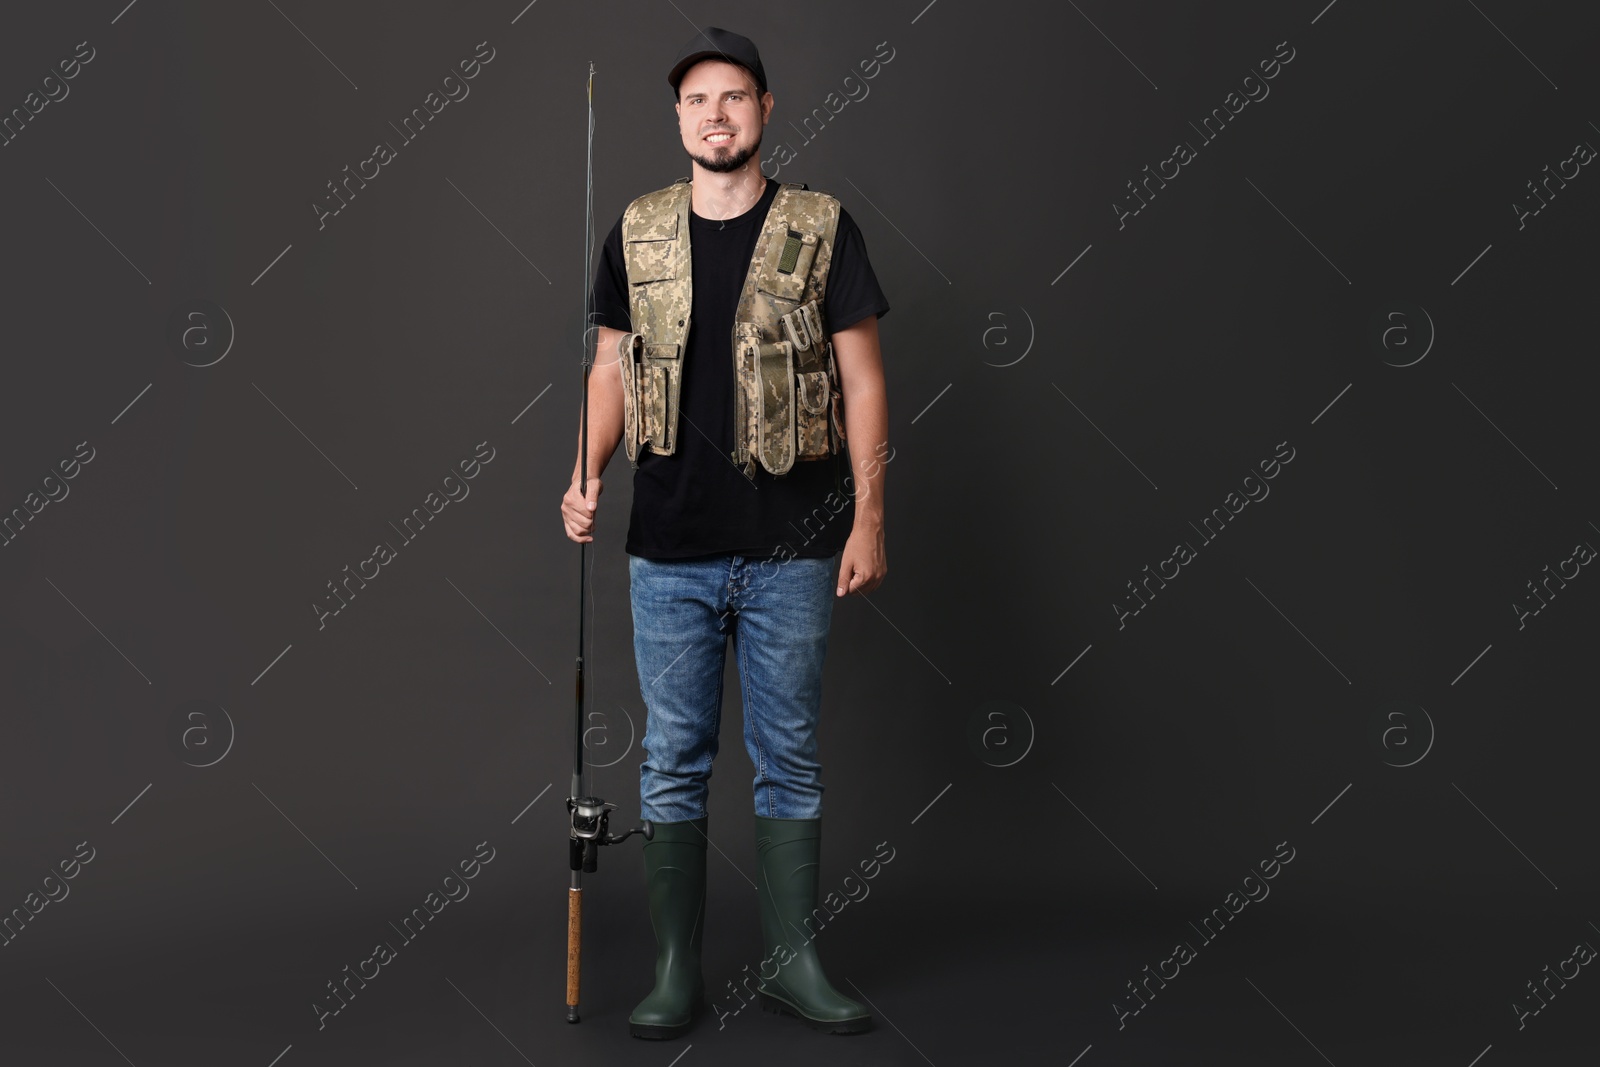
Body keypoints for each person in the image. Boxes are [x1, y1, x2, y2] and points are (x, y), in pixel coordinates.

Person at [558, 26, 890, 1040]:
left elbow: (865, 380)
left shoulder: (822, 228)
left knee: (788, 755)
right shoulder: (638, 230)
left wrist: (868, 516)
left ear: (766, 109)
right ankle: (673, 972)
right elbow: (611, 366)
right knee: (671, 760)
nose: (715, 114)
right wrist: (583, 471)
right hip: (668, 544)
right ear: (678, 116)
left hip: (795, 541)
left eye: (734, 96)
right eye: (697, 99)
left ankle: (794, 964)